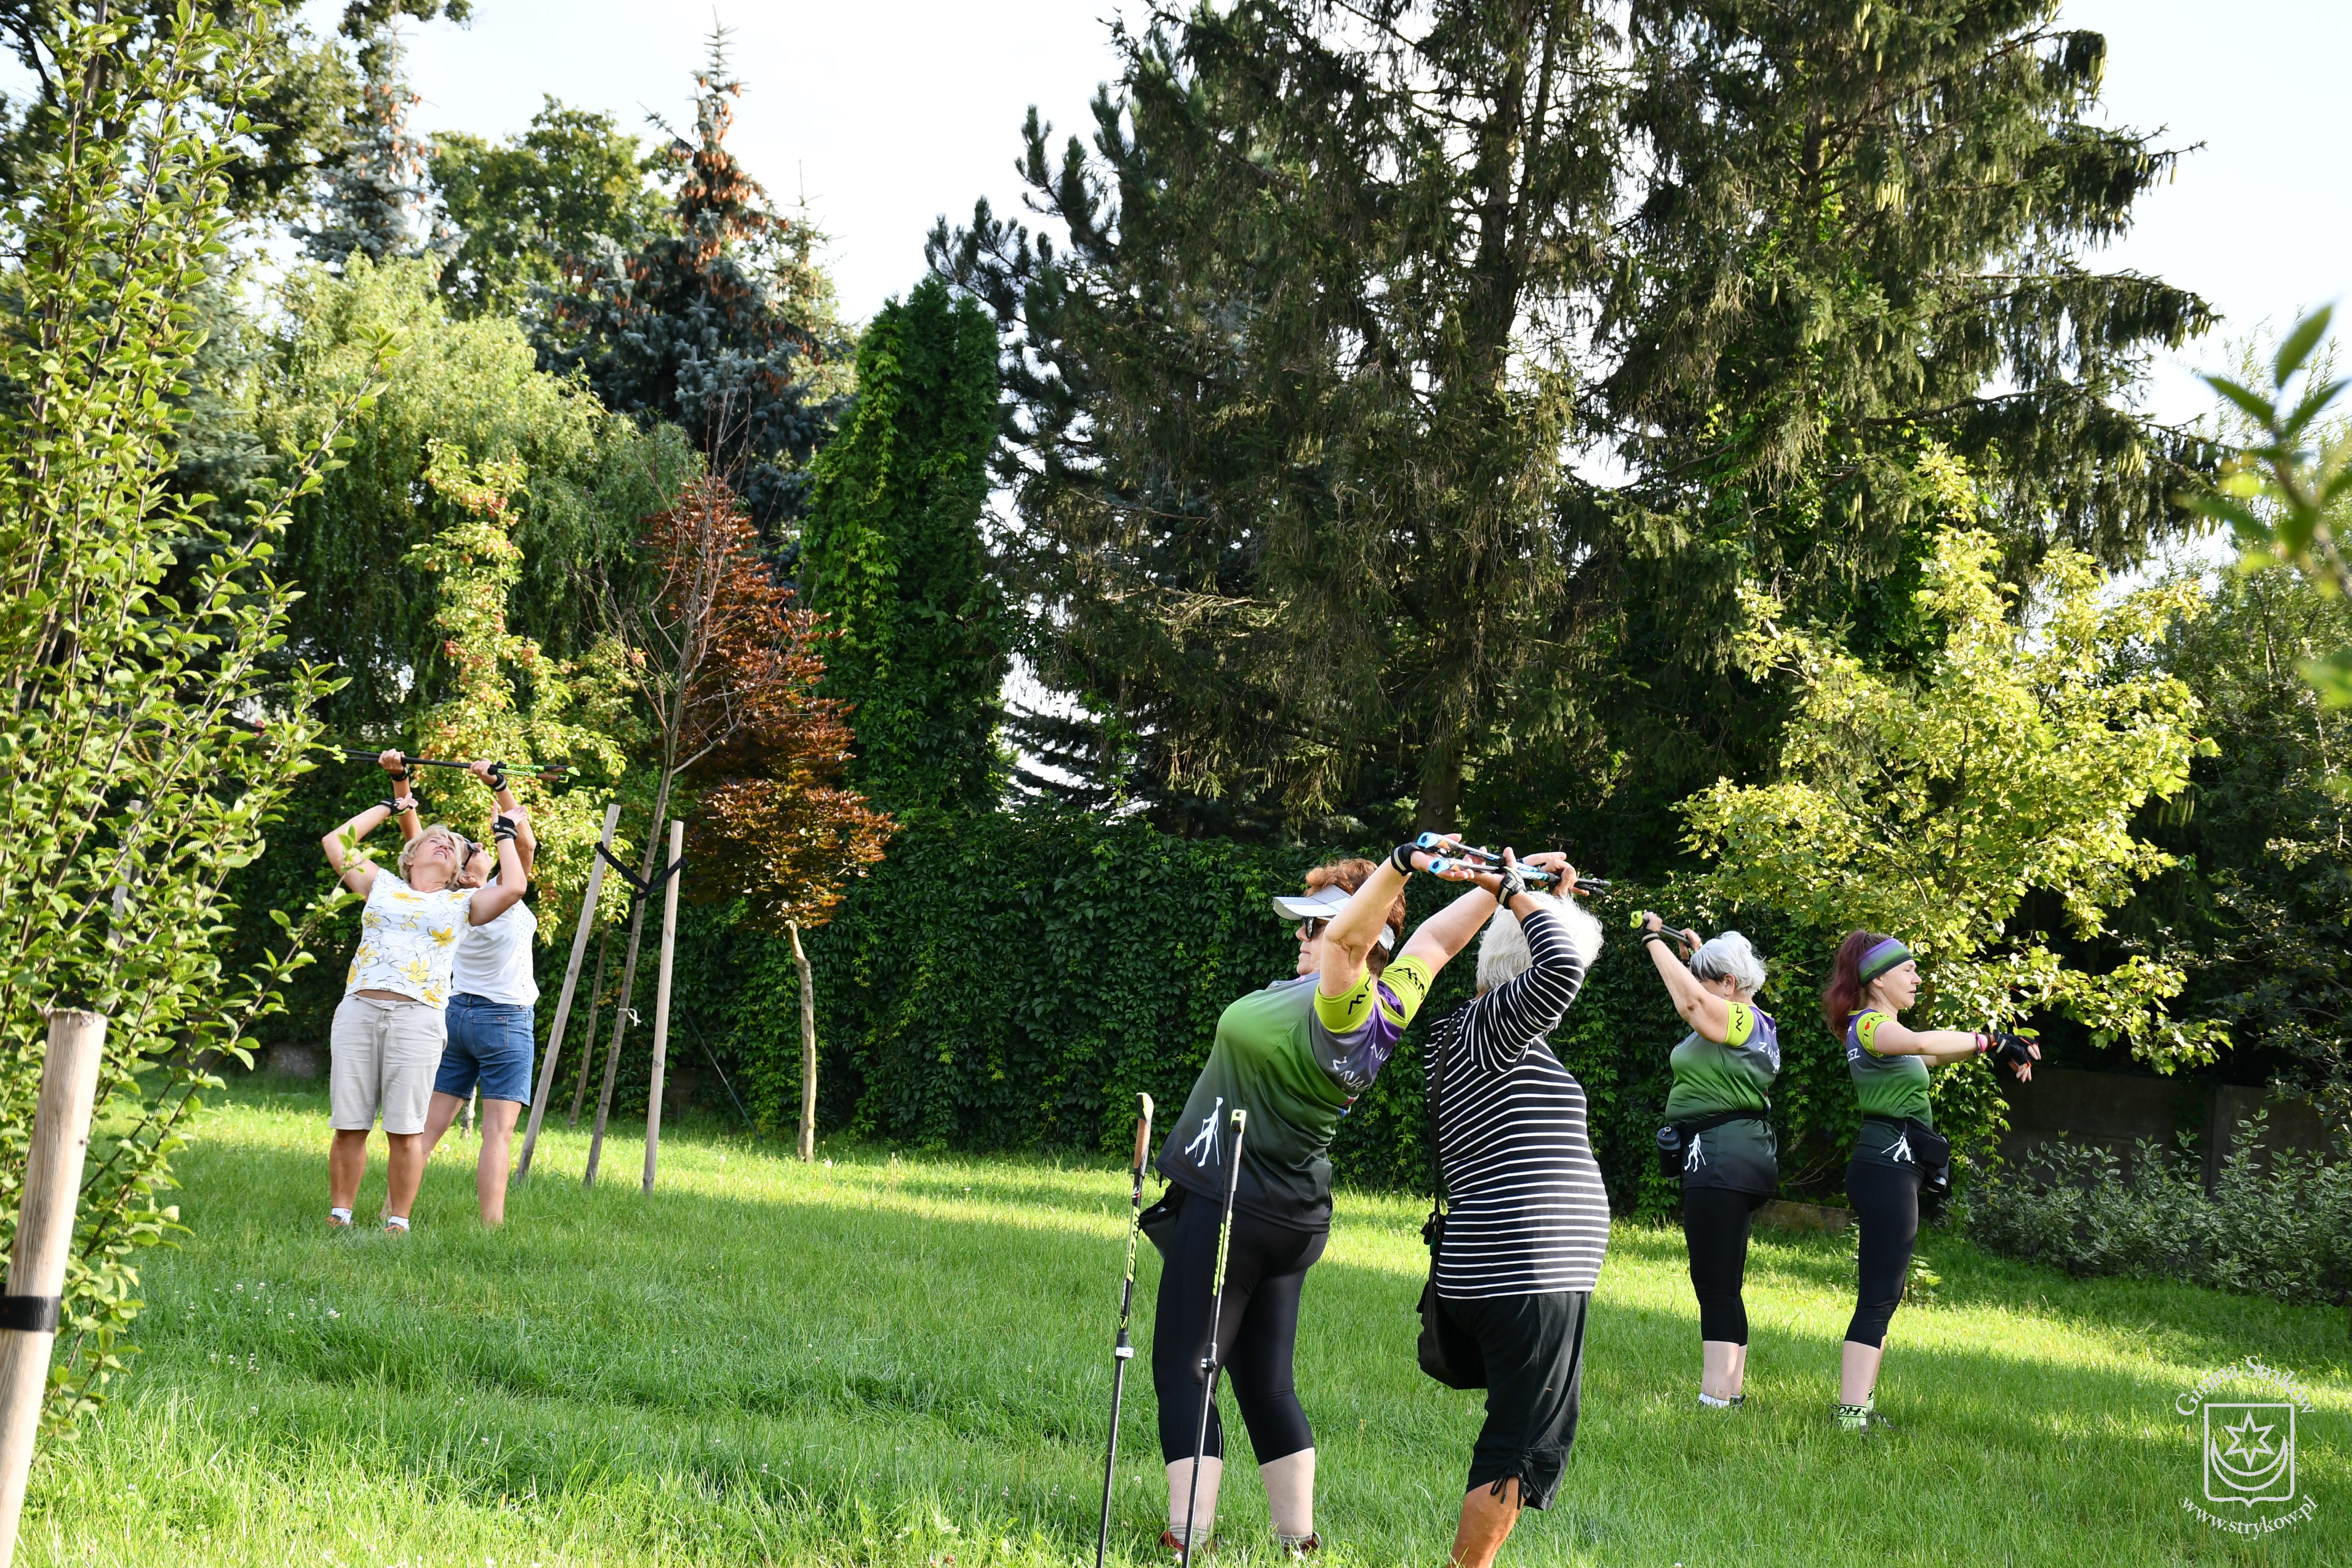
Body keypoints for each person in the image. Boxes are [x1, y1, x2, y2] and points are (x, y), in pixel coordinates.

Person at [1145, 838, 1510, 1557]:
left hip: (1233, 1204)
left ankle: (1187, 1538)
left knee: (1184, 1369)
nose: (1302, 935)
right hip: (1289, 1211)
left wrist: (1403, 864)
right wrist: (1497, 885)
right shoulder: (1391, 998)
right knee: (1264, 1381)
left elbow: (1353, 935)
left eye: (1313, 926)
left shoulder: (1341, 1005)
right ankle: (1296, 1540)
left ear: (1353, 940)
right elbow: (1436, 937)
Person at [1421, 855, 1606, 1568]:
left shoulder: (1482, 1032)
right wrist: (1521, 898)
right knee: (1514, 1445)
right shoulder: (1493, 1028)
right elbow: (1558, 971)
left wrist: (1543, 902)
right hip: (1519, 1271)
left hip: (1507, 1267)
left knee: (1519, 1434)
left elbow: (1551, 969)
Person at [1821, 930, 2039, 1431]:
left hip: (1887, 1168)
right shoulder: (1874, 1025)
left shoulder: (1874, 1031)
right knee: (1879, 1295)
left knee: (1883, 1294)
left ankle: (1858, 1409)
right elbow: (1922, 1041)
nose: (1917, 978)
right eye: (1908, 970)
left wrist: (1997, 1047)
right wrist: (1992, 1039)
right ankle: (1852, 1414)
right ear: (1878, 980)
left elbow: (1933, 1055)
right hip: (1885, 1169)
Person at [319, 751, 528, 1233]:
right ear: (411, 855)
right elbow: (337, 841)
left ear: (457, 868)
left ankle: (398, 1221)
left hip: (418, 1019)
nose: (441, 844)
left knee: (405, 1128)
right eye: (432, 839)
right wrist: (395, 803)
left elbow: (514, 886)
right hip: (359, 1009)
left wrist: (504, 836)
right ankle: (340, 1213)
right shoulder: (382, 885)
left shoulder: (463, 902)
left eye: (450, 845)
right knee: (350, 1122)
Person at [1638, 914, 1777, 1407]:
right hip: (1734, 1157)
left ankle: (1716, 1397)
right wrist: (1692, 955)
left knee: (1714, 1282)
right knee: (1726, 1280)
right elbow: (1698, 998)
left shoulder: (1739, 1019)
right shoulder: (1751, 1023)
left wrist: (1653, 941)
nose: (1696, 987)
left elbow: (1694, 1003)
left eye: (1707, 977)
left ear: (1730, 984)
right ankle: (1731, 1393)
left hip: (1719, 1157)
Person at [414, 761, 539, 1226]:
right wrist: (502, 793)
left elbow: (519, 845)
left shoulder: (451, 902)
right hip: (504, 1021)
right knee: (498, 1133)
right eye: (479, 850)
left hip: (456, 1017)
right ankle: (492, 1226)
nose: (486, 848)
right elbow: (524, 844)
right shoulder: (500, 898)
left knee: (428, 1129)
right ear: (472, 872)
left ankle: (394, 1212)